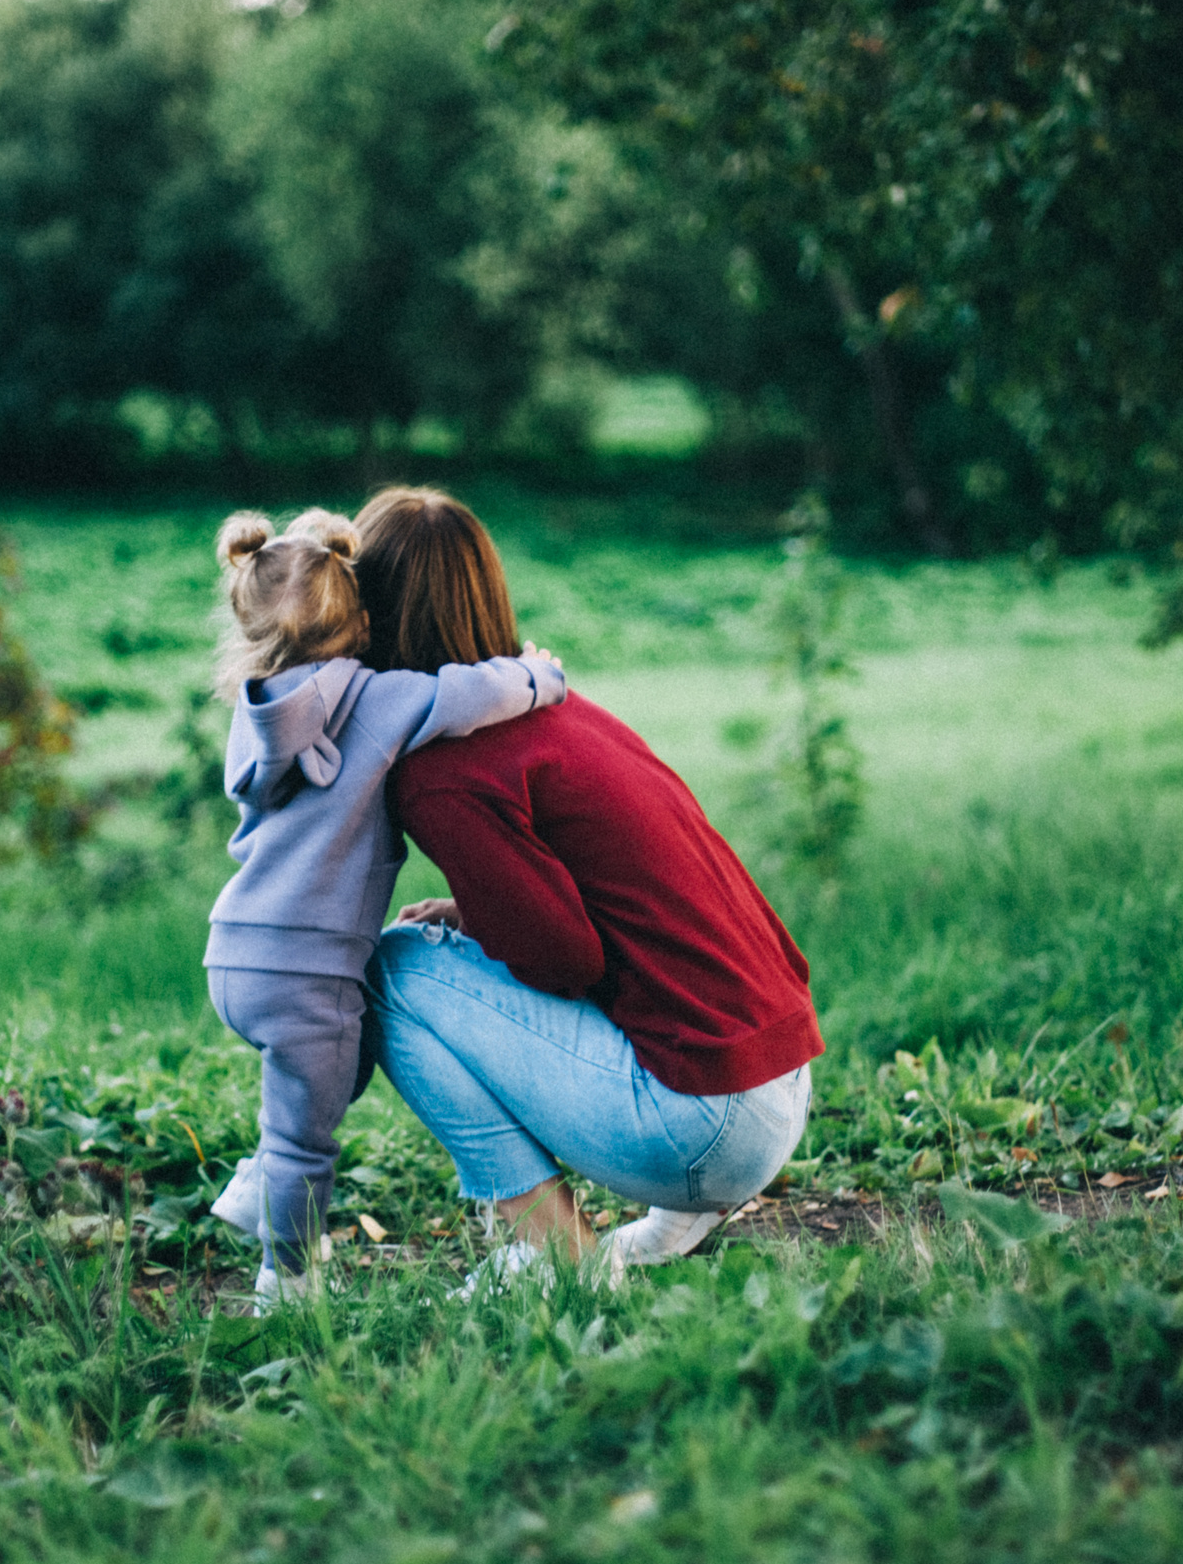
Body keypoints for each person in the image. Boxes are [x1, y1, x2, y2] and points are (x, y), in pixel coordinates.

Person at [356, 487, 820, 1283]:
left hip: (706, 1124)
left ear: (367, 616)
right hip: (779, 1080)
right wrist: (478, 911)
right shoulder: (558, 705)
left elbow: (563, 956)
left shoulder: (439, 770)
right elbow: (619, 895)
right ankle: (678, 1219)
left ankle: (553, 1251)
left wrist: (488, 921)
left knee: (388, 971)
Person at [200, 507, 567, 1306]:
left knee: (341, 1065)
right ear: (362, 622)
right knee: (307, 1145)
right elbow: (466, 692)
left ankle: (261, 1179)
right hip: (309, 969)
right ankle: (285, 1282)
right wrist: (540, 675)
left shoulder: (252, 717)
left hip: (234, 952)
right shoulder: (376, 699)